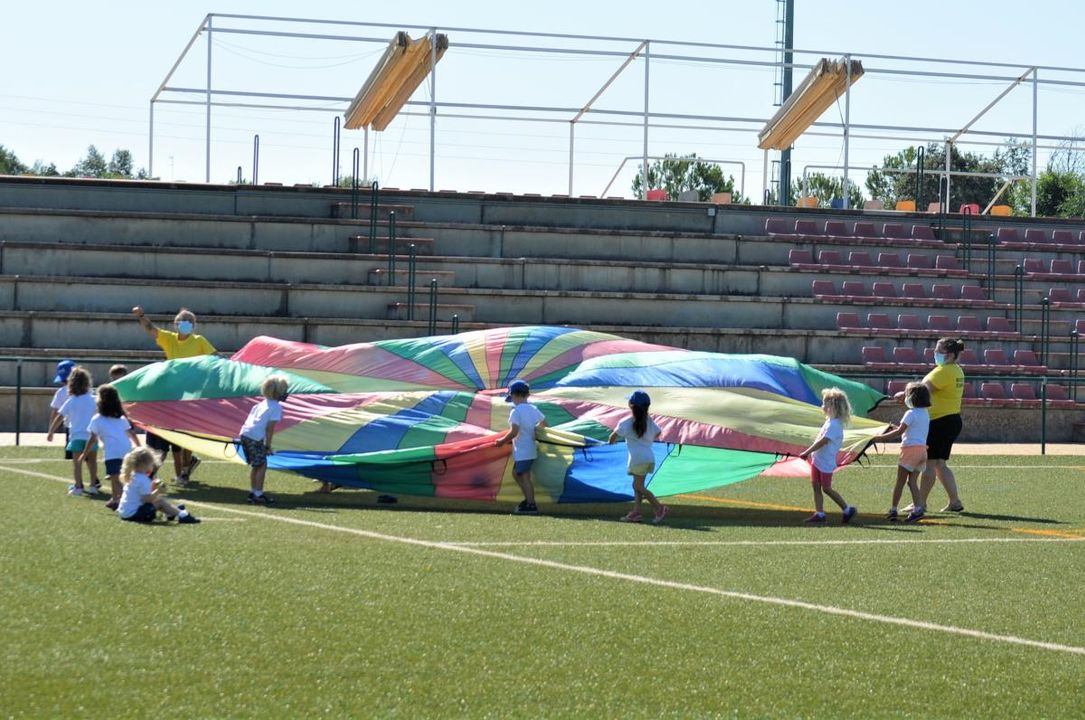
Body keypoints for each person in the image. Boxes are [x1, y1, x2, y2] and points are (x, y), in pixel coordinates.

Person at [132, 306, 216, 486]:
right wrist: (141, 316)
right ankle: (186, 467)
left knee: (187, 433)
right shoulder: (169, 339)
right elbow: (151, 329)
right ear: (176, 324)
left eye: (189, 322)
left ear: (194, 325)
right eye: (182, 322)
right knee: (178, 434)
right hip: (173, 393)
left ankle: (186, 467)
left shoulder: (199, 341)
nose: (185, 325)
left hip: (192, 394)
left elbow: (215, 358)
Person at [898, 338, 966, 513]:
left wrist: (904, 394)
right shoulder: (956, 370)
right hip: (951, 420)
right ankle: (954, 501)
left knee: (929, 464)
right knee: (940, 465)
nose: (935, 354)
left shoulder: (943, 371)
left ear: (949, 355)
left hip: (939, 422)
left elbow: (922, 390)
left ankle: (920, 503)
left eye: (938, 351)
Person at [798, 388, 858, 525]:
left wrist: (807, 452)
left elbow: (823, 441)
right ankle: (819, 513)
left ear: (832, 407)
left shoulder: (835, 425)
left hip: (825, 461)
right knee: (815, 485)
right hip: (818, 459)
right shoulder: (830, 422)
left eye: (825, 404)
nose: (822, 407)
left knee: (826, 488)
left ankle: (848, 509)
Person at [872, 382, 930, 523]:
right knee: (912, 482)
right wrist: (895, 427)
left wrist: (879, 438)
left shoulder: (910, 413)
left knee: (900, 481)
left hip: (910, 450)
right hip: (922, 451)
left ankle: (893, 509)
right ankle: (918, 509)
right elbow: (910, 429)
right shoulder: (925, 413)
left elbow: (899, 432)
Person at [608, 390, 667, 524]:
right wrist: (646, 440)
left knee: (638, 486)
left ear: (631, 405)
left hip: (637, 459)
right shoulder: (649, 421)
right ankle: (637, 512)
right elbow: (658, 433)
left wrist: (611, 442)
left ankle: (659, 508)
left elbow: (612, 437)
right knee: (637, 486)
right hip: (648, 457)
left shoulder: (625, 423)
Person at [82, 384, 141, 511]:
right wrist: (139, 446)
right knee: (122, 476)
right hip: (126, 449)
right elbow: (131, 433)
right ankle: (115, 500)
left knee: (115, 478)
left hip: (112, 452)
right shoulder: (121, 418)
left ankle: (123, 503)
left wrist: (84, 454)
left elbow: (92, 439)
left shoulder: (97, 419)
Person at [495, 379, 547, 515]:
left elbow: (514, 431)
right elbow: (544, 424)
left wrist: (502, 440)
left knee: (524, 477)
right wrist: (533, 429)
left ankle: (531, 504)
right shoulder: (533, 409)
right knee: (517, 474)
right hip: (529, 449)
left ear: (515, 395)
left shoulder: (516, 411)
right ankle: (528, 500)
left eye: (511, 396)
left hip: (523, 450)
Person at [46, 366, 99, 497]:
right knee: (92, 462)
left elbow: (59, 416)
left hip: (76, 436)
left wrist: (51, 431)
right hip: (91, 436)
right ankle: (93, 485)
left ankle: (78, 486)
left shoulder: (71, 401)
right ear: (88, 383)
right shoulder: (94, 399)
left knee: (77, 463)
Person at [239, 374, 289, 505]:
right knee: (262, 465)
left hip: (245, 434)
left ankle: (254, 492)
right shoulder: (276, 407)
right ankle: (258, 494)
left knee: (256, 465)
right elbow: (269, 428)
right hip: (255, 437)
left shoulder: (261, 404)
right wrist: (268, 445)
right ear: (277, 392)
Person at [116, 447, 200, 524]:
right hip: (134, 515)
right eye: (151, 464)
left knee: (157, 501)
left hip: (125, 513)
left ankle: (170, 513)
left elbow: (142, 497)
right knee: (160, 501)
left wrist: (154, 489)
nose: (152, 466)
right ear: (144, 464)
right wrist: (158, 490)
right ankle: (183, 515)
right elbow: (147, 499)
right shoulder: (143, 479)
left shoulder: (133, 476)